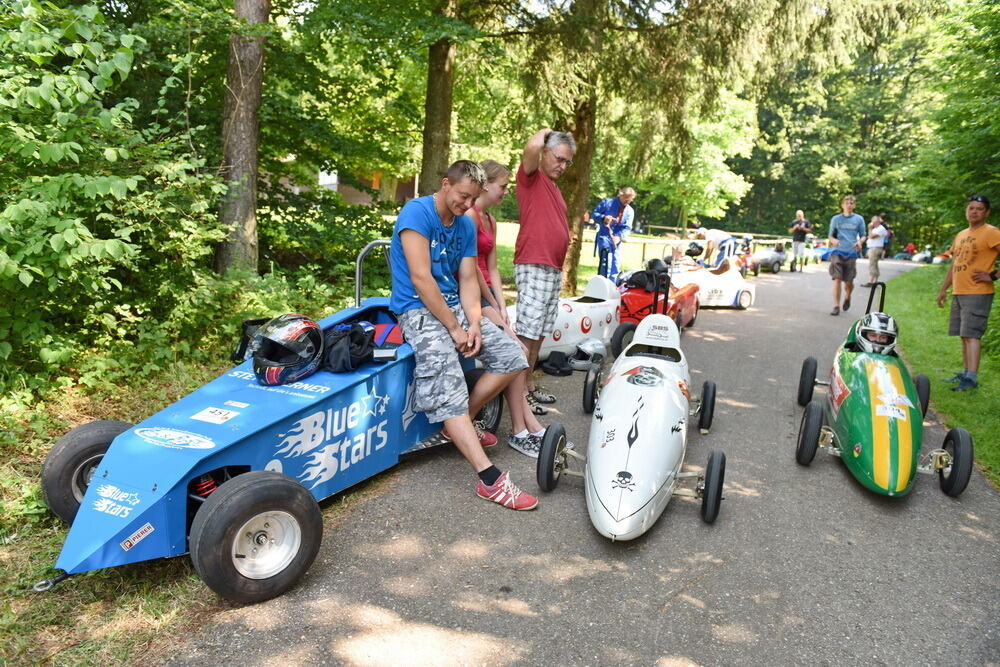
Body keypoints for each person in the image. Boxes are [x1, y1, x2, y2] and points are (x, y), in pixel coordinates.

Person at [389, 159, 537, 510]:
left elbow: (469, 279)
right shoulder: (416, 212)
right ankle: (490, 479)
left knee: (514, 356)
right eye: (462, 196)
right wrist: (454, 329)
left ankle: (461, 422)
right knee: (449, 381)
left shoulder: (465, 224)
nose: (467, 205)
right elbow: (421, 279)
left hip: (456, 308)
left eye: (473, 199)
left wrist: (472, 323)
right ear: (444, 184)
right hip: (417, 309)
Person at [470, 159, 551, 456]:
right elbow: (471, 271)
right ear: (486, 184)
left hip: (487, 294)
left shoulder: (490, 221)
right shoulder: (469, 216)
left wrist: (503, 306)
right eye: (503, 186)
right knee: (515, 350)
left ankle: (525, 426)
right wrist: (492, 305)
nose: (506, 192)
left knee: (515, 349)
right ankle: (522, 427)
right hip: (470, 293)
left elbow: (491, 268)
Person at [514, 128, 576, 410]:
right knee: (527, 332)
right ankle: (519, 395)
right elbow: (529, 148)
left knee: (540, 331)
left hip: (551, 267)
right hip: (534, 263)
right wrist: (548, 132)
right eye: (560, 159)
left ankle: (529, 384)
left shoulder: (553, 186)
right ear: (545, 152)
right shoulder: (531, 178)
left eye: (567, 162)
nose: (563, 166)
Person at [935, 194, 1000, 391]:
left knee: (972, 335)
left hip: (978, 292)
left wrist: (993, 276)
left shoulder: (991, 232)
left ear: (986, 212)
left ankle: (971, 379)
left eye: (979, 209)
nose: (974, 212)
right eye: (971, 208)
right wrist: (943, 289)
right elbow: (955, 263)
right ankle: (965, 373)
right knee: (964, 335)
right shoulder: (962, 234)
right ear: (967, 210)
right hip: (960, 291)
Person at [827, 195, 867, 316]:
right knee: (837, 278)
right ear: (842, 205)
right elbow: (830, 236)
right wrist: (833, 241)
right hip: (837, 251)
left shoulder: (859, 219)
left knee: (848, 281)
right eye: (847, 203)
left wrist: (860, 242)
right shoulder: (836, 219)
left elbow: (864, 235)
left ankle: (848, 296)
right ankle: (836, 306)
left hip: (851, 252)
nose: (849, 205)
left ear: (854, 205)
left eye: (851, 203)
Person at [592, 186, 636, 282]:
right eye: (626, 198)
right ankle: (602, 285)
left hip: (617, 240)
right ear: (621, 195)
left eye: (630, 199)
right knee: (606, 262)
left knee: (615, 264)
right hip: (604, 236)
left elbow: (627, 228)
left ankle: (612, 287)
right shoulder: (607, 203)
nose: (627, 200)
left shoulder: (630, 211)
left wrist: (619, 237)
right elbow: (594, 214)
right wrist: (603, 218)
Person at [862, 215, 888, 287]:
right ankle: (874, 281)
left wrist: (869, 228)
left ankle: (871, 281)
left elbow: (871, 236)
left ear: (877, 221)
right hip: (872, 248)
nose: (872, 223)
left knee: (872, 264)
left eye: (873, 222)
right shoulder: (876, 229)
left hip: (875, 248)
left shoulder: (880, 229)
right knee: (874, 264)